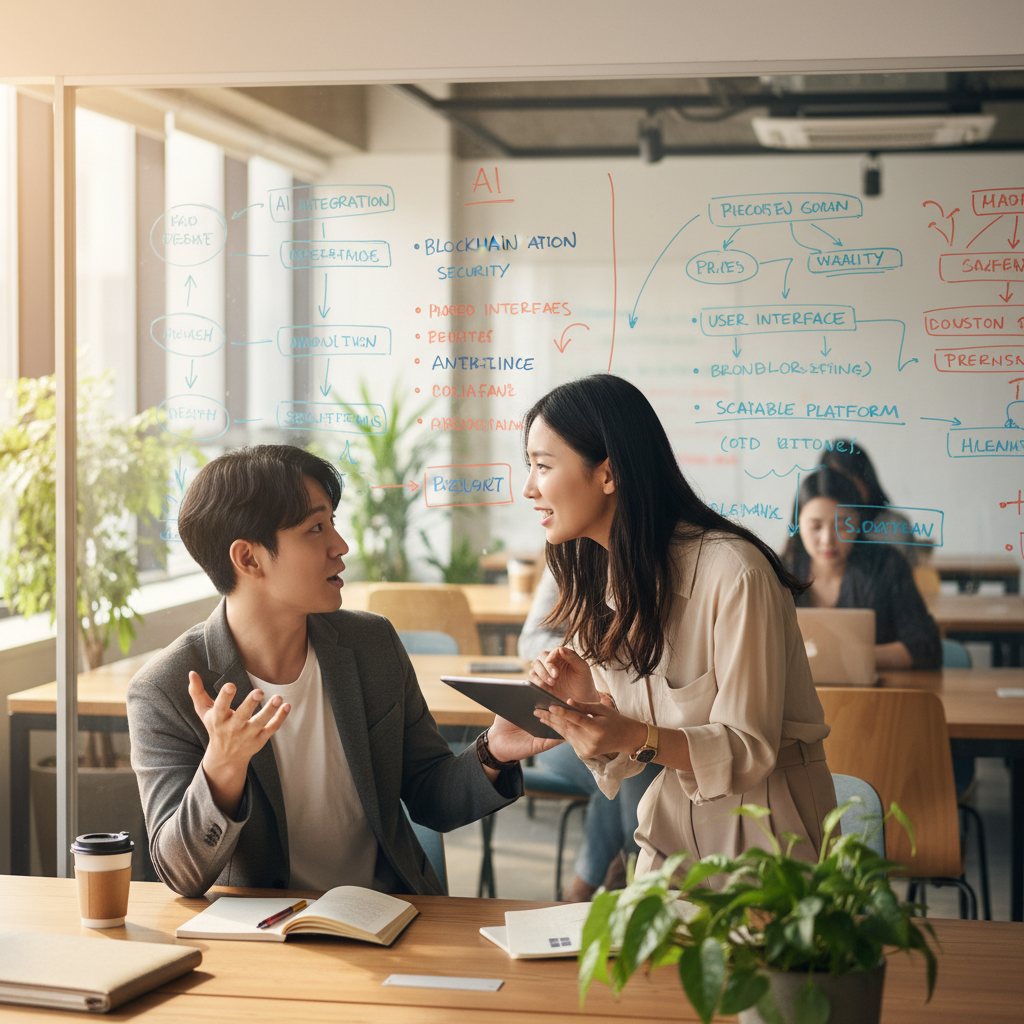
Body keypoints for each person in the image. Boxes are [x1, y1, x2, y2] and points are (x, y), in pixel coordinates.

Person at [127, 445, 553, 897]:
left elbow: (431, 797)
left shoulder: (372, 645)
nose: (341, 546)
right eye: (316, 528)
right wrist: (222, 768)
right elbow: (180, 875)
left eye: (332, 522)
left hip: (390, 916)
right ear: (248, 559)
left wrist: (495, 751)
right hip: (265, 942)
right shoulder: (166, 690)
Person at [523, 375, 836, 875]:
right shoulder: (599, 575)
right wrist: (589, 708)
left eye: (542, 466)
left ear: (608, 474)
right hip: (669, 837)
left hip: (767, 843)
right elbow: (631, 754)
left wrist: (631, 734)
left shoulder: (735, 572)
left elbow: (749, 750)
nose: (529, 487)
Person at [520, 568, 661, 901]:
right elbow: (531, 639)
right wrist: (585, 657)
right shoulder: (570, 556)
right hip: (564, 729)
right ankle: (620, 873)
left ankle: (582, 892)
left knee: (623, 765)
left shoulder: (652, 565)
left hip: (631, 725)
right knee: (628, 766)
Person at [782, 467, 942, 669]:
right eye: (815, 527)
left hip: (873, 696)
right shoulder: (779, 573)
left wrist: (854, 658)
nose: (828, 540)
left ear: (858, 522)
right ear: (797, 525)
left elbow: (927, 647)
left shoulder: (886, 565)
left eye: (841, 526)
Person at [817, 440, 930, 567]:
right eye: (836, 484)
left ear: (867, 482)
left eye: (849, 482)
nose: (844, 492)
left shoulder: (894, 527)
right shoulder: (817, 530)